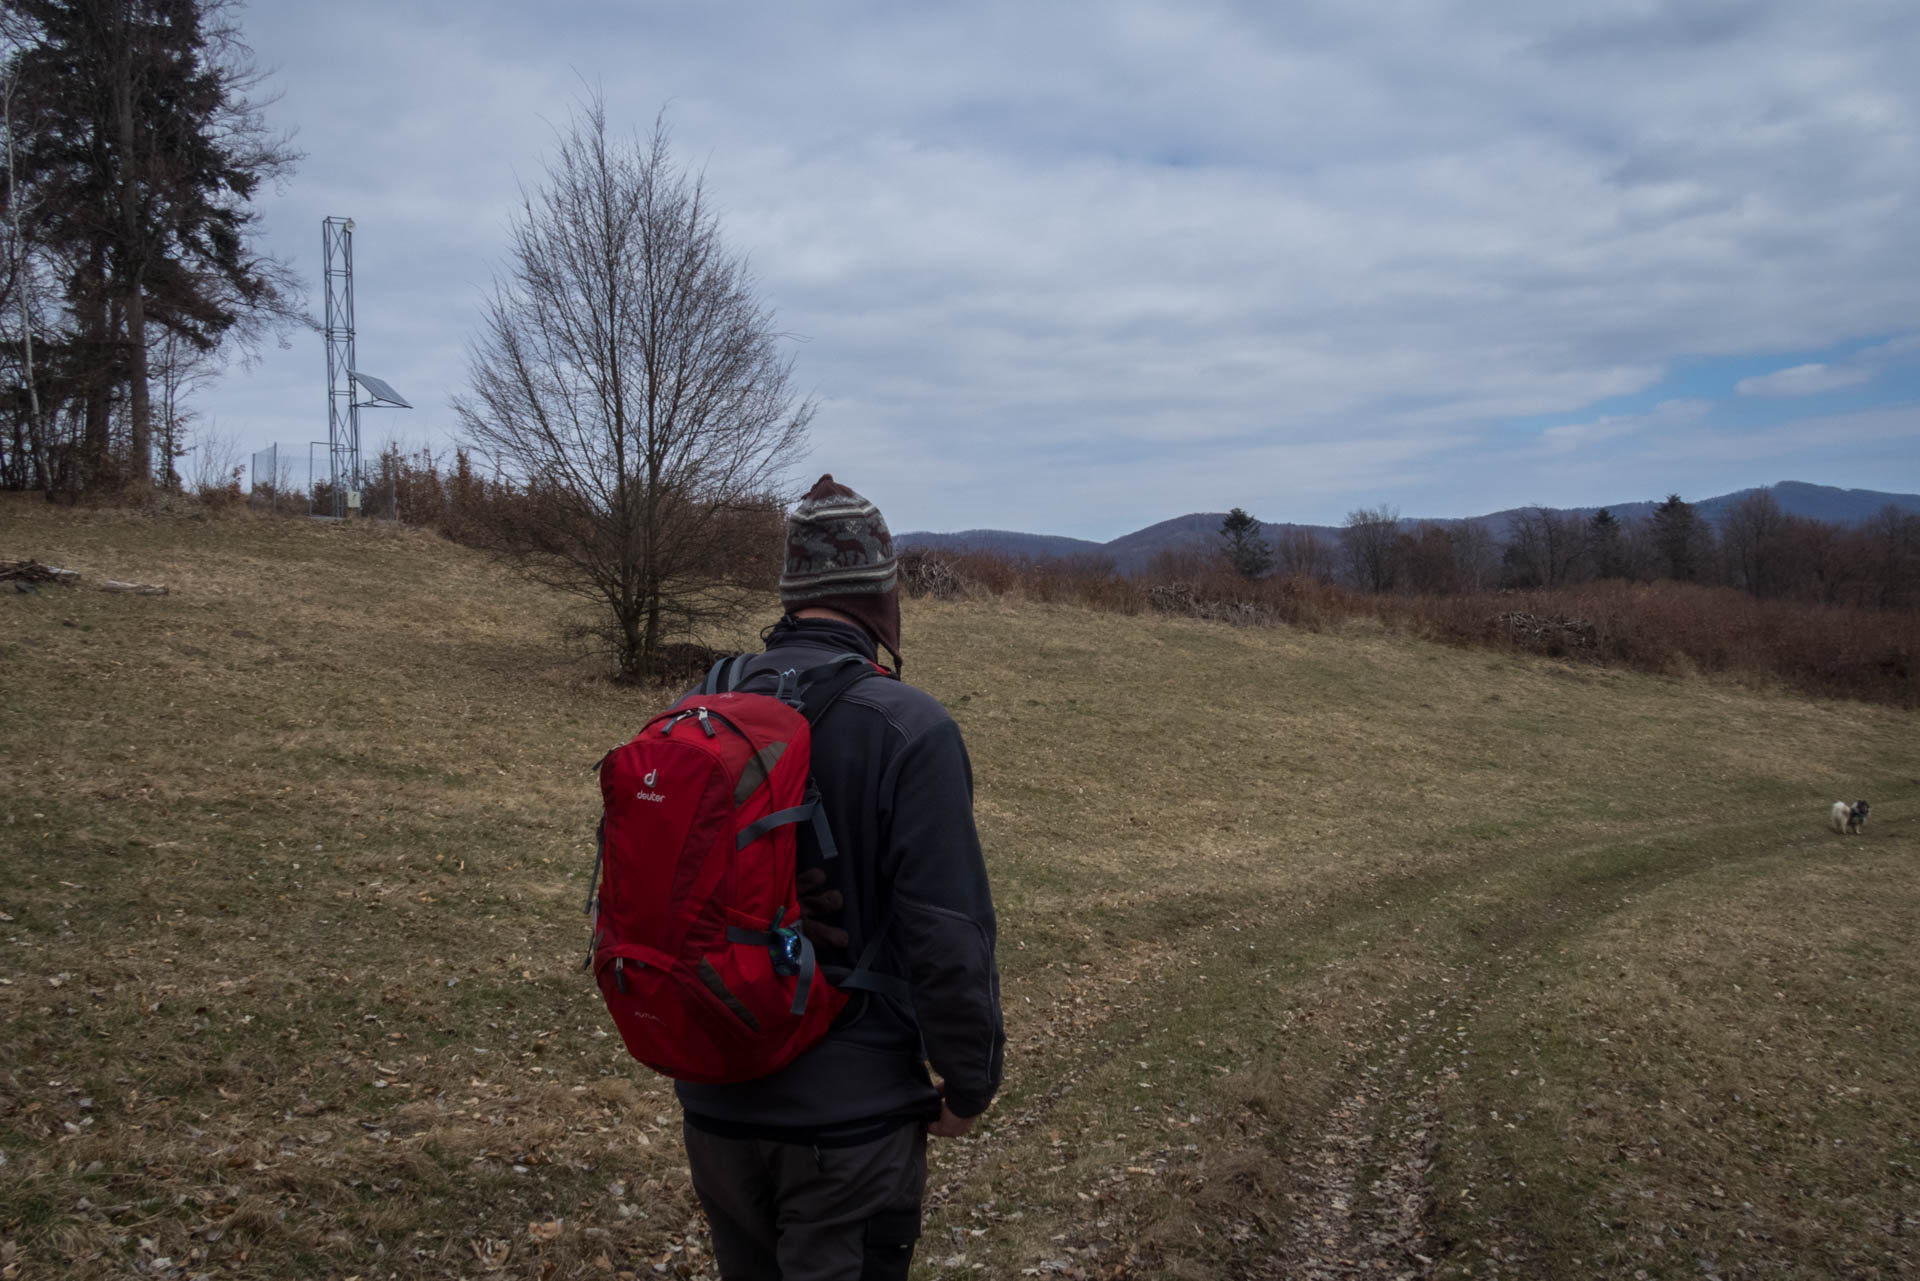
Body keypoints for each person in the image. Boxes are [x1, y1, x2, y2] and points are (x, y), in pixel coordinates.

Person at [677, 474, 1006, 1281]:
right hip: (850, 1127)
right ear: (881, 596)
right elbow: (947, 933)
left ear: (792, 594)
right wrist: (969, 1083)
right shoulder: (910, 726)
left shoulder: (702, 706)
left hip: (716, 1105)